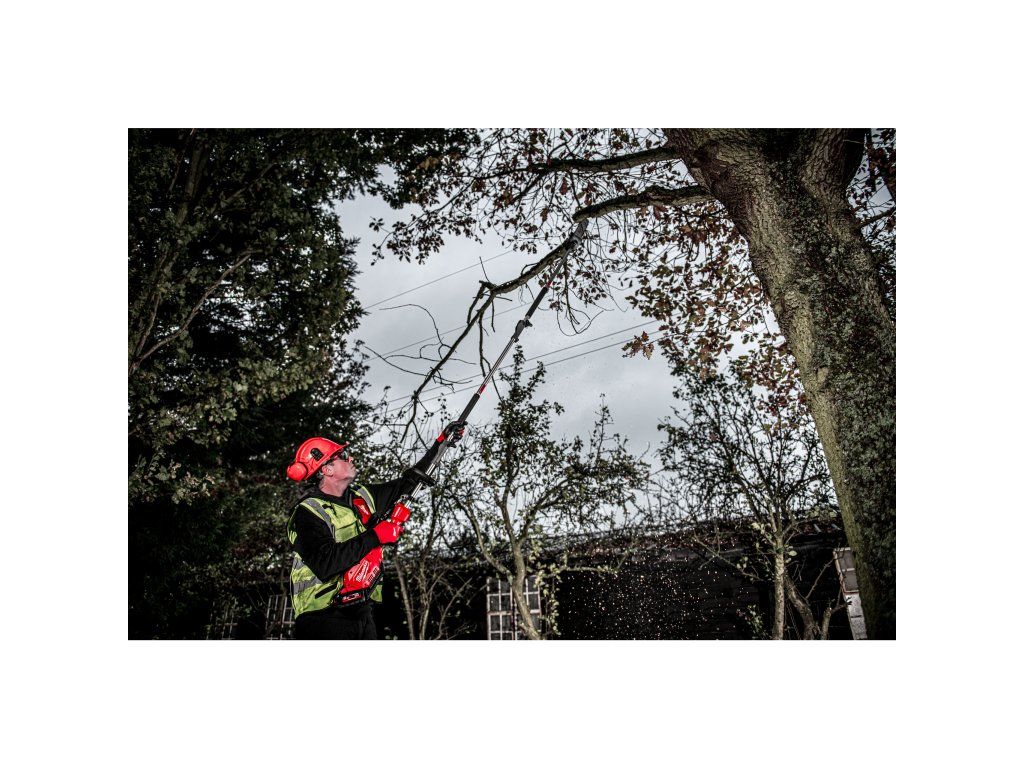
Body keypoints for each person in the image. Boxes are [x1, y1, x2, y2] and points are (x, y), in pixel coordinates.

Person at [284, 423, 464, 640]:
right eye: (343, 456)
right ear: (326, 469)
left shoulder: (361, 497)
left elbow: (408, 483)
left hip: (361, 611)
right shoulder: (308, 512)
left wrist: (441, 443)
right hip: (321, 617)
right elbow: (325, 563)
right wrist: (376, 535)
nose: (350, 458)